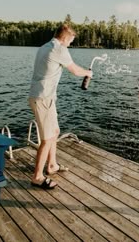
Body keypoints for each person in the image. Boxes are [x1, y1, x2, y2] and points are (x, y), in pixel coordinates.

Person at [29, 23, 92, 190]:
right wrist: (88, 73)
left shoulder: (44, 47)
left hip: (42, 97)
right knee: (48, 139)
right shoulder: (59, 49)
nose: (70, 44)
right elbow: (76, 71)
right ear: (64, 38)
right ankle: (37, 176)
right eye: (71, 40)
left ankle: (52, 165)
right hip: (43, 99)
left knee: (55, 132)